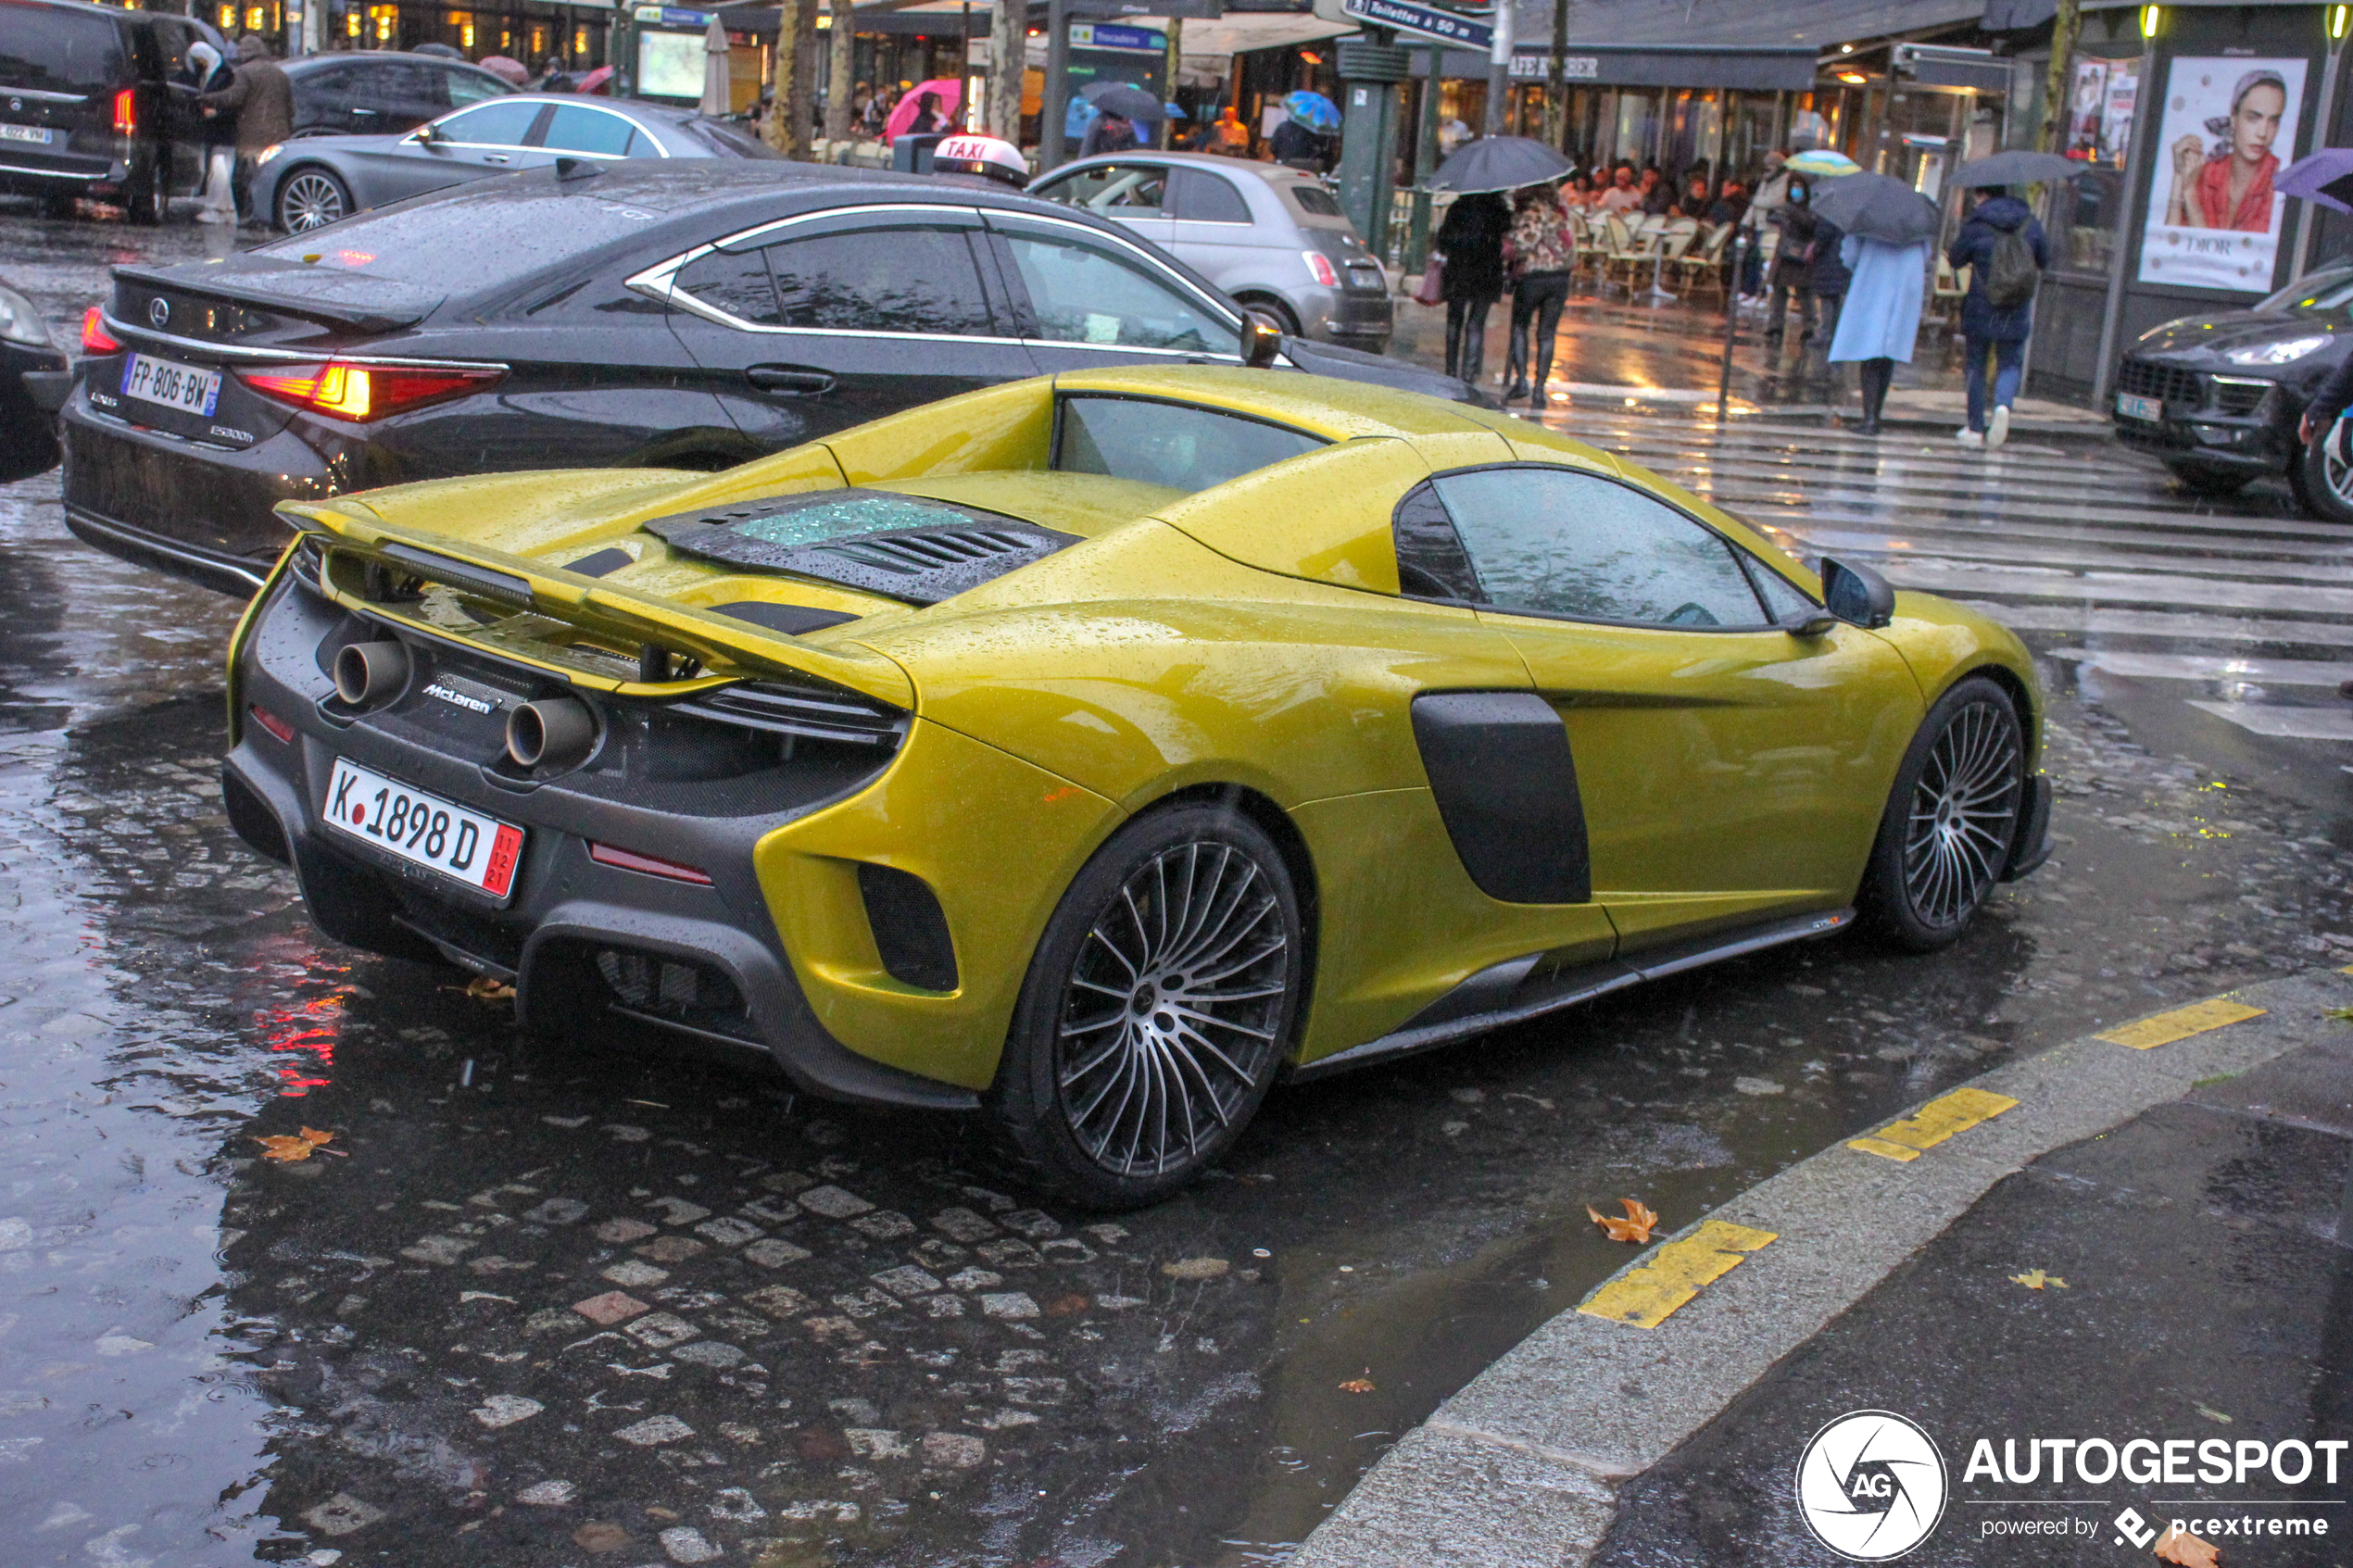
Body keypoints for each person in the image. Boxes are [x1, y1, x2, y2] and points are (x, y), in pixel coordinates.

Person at [1946, 185, 2050, 448]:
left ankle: (1975, 428)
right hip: (2016, 305)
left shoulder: (1977, 223)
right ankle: (2003, 405)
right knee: (2010, 363)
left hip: (1981, 305)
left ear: (1983, 195)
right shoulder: (2030, 221)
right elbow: (2045, 259)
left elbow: (1956, 259)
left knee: (1976, 365)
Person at [1828, 226, 1930, 435]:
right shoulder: (1917, 223)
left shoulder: (1869, 218)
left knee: (1870, 350)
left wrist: (1857, 264)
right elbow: (1926, 256)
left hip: (1873, 281)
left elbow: (1850, 254)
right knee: (1888, 352)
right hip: (1904, 287)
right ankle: (1876, 415)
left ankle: (1870, 418)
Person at [2165, 68, 2287, 232]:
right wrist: (2179, 177)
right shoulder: (2207, 172)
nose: (2263, 133)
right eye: (2253, 118)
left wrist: (2190, 195)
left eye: (2273, 121)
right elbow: (2168, 243)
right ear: (2234, 117)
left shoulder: (2282, 180)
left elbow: (2232, 255)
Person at [199, 33, 292, 225]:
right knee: (270, 177)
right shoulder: (279, 73)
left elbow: (234, 97)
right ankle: (271, 216)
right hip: (277, 136)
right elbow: (290, 107)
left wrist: (209, 99)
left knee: (246, 180)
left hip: (251, 137)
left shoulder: (244, 72)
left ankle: (251, 216)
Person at [1501, 183, 1575, 409]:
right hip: (1560, 277)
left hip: (1534, 276)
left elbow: (1523, 244)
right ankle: (1540, 389)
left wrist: (1509, 238)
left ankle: (1522, 380)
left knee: (1520, 326)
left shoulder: (1532, 214)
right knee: (1547, 334)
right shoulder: (1559, 213)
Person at [1435, 190, 1509, 385]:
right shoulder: (1500, 211)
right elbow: (1507, 241)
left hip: (1459, 269)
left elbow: (1443, 242)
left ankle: (1450, 370)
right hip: (1487, 272)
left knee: (1454, 320)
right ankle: (1469, 374)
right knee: (1476, 323)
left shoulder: (1458, 209)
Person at [180, 39, 236, 225]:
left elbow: (232, 102)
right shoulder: (208, 74)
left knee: (219, 171)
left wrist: (217, 112)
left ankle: (215, 208)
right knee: (220, 170)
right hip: (214, 130)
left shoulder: (225, 75)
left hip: (223, 130)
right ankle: (227, 209)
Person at [1763, 179, 1817, 348]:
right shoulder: (1785, 206)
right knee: (1779, 290)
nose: (1796, 190)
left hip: (1799, 254)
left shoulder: (1809, 207)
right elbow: (1773, 219)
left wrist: (1792, 212)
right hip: (1784, 253)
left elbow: (1810, 224)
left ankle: (1810, 325)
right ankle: (1775, 325)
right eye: (1794, 186)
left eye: (1799, 187)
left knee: (1804, 292)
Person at [1806, 214, 1850, 373]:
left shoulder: (1829, 215)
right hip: (1840, 261)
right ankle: (1835, 331)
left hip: (1828, 262)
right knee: (1835, 298)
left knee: (1827, 298)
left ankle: (1825, 333)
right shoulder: (1846, 213)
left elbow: (1824, 235)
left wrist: (1814, 249)